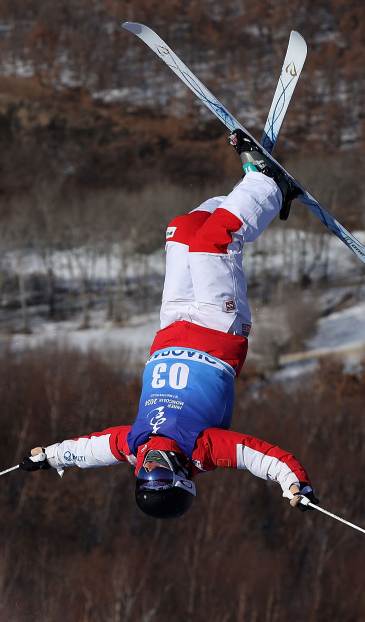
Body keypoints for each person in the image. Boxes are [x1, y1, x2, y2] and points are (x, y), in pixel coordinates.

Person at [20, 130, 318, 519]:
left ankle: (252, 185)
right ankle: (272, 185)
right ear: (181, 475)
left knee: (182, 233)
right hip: (216, 331)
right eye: (160, 473)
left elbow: (90, 449)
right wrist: (294, 482)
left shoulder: (135, 445)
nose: (150, 465)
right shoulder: (204, 449)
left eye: (145, 474)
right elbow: (261, 457)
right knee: (215, 243)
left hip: (172, 326)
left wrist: (52, 457)